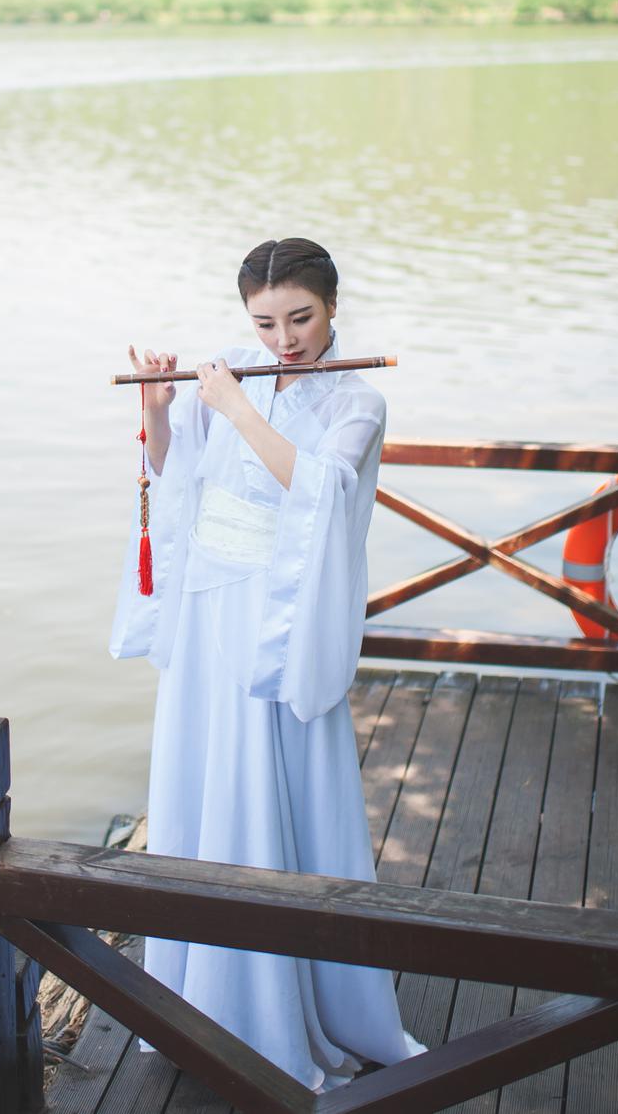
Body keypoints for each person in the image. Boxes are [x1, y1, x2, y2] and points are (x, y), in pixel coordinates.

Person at [109, 237, 426, 1090]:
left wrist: (238, 408)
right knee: (202, 786)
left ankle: (287, 1009)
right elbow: (177, 474)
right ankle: (197, 997)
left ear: (333, 307)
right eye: (265, 322)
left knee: (269, 792)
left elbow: (319, 492)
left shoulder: (358, 400)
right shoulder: (234, 368)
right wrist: (159, 408)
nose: (284, 339)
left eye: (301, 318)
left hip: (277, 616)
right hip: (208, 606)